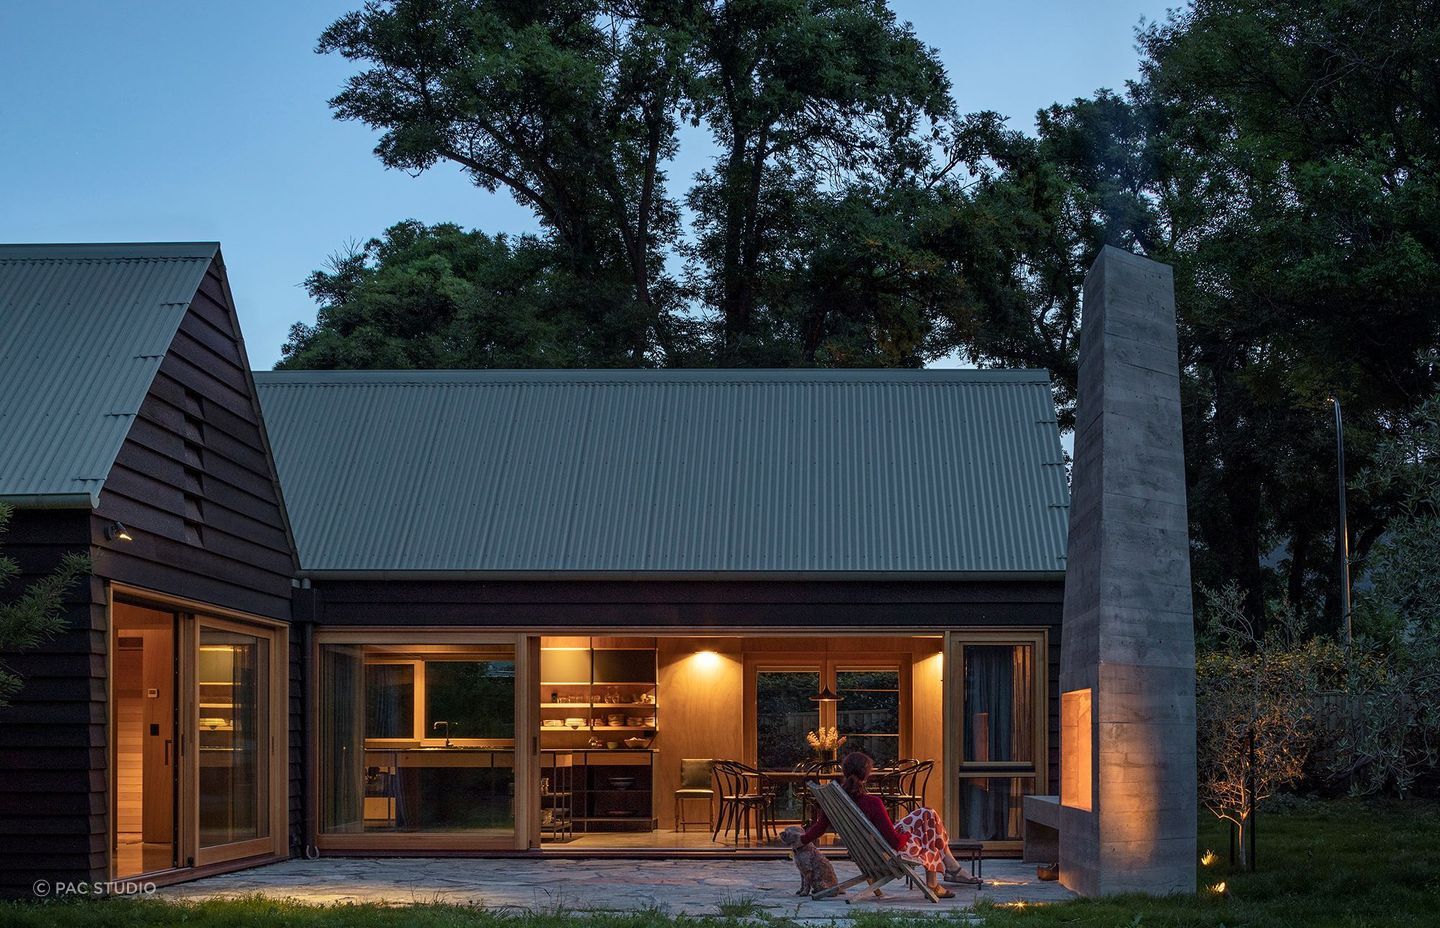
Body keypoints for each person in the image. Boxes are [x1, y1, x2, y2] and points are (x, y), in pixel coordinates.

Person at [798, 751, 980, 898]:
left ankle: (950, 868)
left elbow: (820, 827)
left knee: (927, 814)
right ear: (867, 774)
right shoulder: (872, 803)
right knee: (928, 831)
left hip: (869, 851)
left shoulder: (836, 801)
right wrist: (910, 834)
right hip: (886, 853)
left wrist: (801, 840)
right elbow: (896, 843)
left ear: (845, 772)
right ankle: (939, 879)